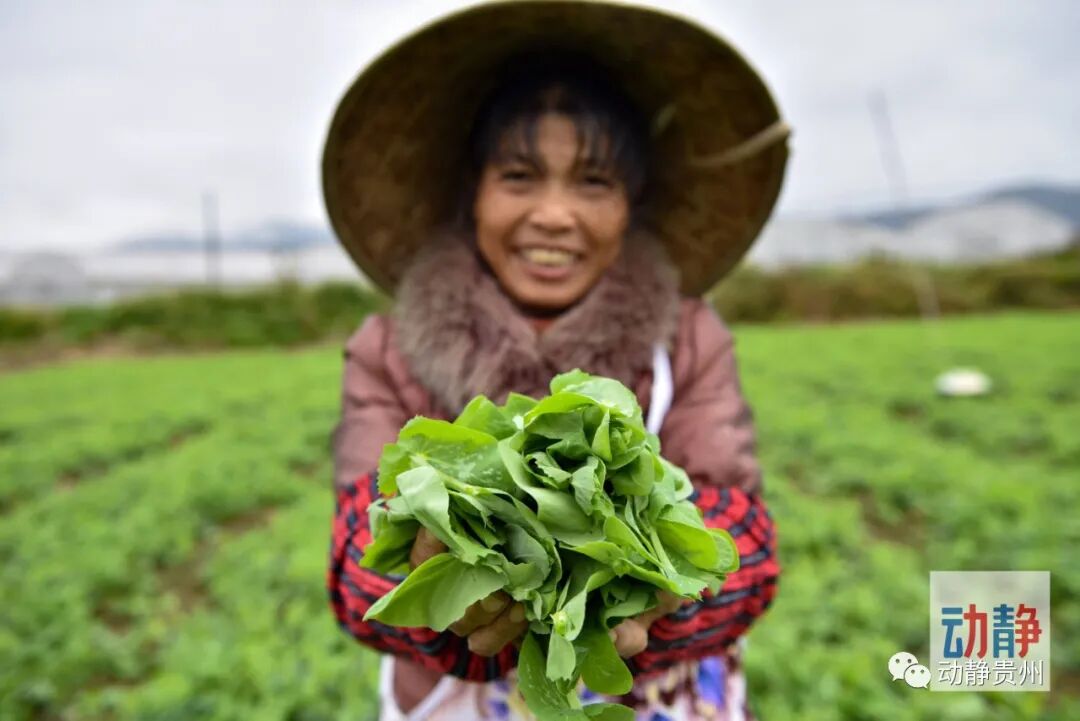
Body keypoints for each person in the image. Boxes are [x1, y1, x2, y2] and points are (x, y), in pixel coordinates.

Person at [324, 3, 790, 719]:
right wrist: (429, 574)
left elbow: (746, 541)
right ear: (473, 194)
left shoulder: (688, 338)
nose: (553, 215)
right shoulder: (389, 349)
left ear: (630, 205)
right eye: (519, 176)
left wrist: (659, 587)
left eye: (593, 182)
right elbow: (355, 556)